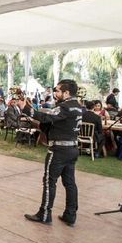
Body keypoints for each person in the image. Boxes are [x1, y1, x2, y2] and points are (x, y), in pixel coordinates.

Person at [25, 79, 82, 227]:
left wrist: (27, 109)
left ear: (66, 92)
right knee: (70, 183)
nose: (55, 93)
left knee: (50, 181)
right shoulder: (79, 107)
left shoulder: (65, 107)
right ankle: (70, 215)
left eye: (57, 91)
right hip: (72, 149)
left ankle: (44, 214)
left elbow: (46, 117)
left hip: (59, 150)